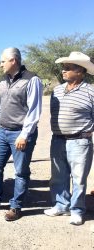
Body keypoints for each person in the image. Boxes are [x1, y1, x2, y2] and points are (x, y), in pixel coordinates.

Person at [0, 48, 43, 221]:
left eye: (3, 61)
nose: (0, 64)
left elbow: (34, 111)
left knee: (20, 171)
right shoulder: (3, 81)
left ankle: (16, 206)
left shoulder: (32, 80)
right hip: (2, 131)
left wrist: (25, 135)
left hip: (20, 133)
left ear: (13, 61)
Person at [44, 52, 94, 225]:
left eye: (67, 68)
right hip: (57, 140)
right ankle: (61, 205)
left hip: (80, 141)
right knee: (58, 176)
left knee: (78, 178)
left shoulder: (90, 91)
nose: (63, 71)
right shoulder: (57, 90)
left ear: (80, 71)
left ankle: (77, 210)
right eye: (63, 68)